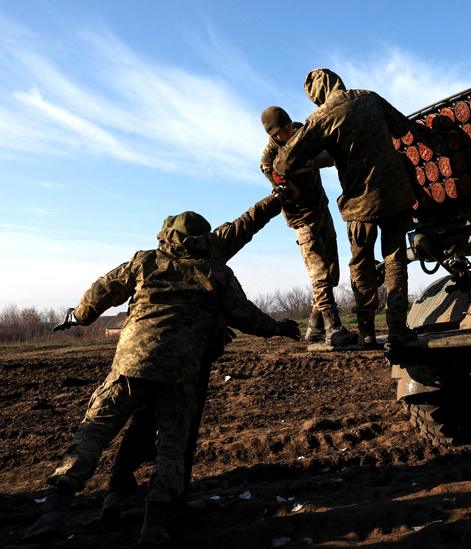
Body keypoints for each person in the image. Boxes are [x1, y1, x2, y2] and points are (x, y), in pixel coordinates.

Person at [23, 210, 300, 546]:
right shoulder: (216, 272)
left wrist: (78, 316)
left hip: (131, 367)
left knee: (93, 433)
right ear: (204, 238)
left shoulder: (144, 262)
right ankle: (154, 526)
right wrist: (277, 328)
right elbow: (245, 315)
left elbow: (101, 291)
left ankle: (54, 511)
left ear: (167, 234)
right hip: (182, 374)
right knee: (172, 448)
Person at [98, 193, 286, 525]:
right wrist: (277, 199)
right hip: (192, 358)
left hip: (145, 357)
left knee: (143, 420)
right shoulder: (214, 249)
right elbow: (248, 223)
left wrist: (275, 200)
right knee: (179, 433)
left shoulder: (155, 259)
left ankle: (117, 489)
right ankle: (170, 504)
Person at [273, 68, 418, 345]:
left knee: (362, 264)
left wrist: (310, 159)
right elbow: (402, 127)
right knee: (395, 260)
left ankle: (367, 333)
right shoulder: (369, 97)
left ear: (317, 94)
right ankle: (398, 328)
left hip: (360, 202)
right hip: (395, 193)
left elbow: (283, 162)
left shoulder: (321, 117)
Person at [259, 106, 358, 346]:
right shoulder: (270, 156)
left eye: (289, 127)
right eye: (282, 131)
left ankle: (314, 326)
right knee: (319, 272)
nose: (288, 132)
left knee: (332, 269)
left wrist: (312, 159)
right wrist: (288, 183)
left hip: (320, 208)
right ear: (273, 134)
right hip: (301, 217)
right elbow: (279, 181)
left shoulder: (305, 133)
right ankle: (333, 328)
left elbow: (329, 155)